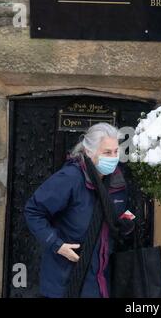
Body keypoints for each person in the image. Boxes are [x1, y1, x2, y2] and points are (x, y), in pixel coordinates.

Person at [24, 123, 134, 298]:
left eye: (115, 152)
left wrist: (127, 221)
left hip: (103, 279)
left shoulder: (117, 180)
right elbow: (33, 211)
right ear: (89, 152)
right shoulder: (70, 178)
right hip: (66, 278)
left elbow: (127, 210)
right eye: (107, 152)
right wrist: (56, 244)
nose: (113, 157)